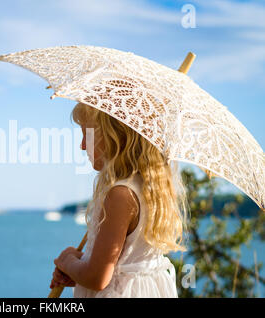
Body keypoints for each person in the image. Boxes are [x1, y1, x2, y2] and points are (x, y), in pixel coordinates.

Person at [49, 102, 189, 297]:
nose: (82, 145)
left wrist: (67, 262)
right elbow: (123, 265)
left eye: (87, 134)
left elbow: (98, 278)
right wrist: (79, 268)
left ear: (115, 136)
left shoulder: (121, 195)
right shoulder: (149, 190)